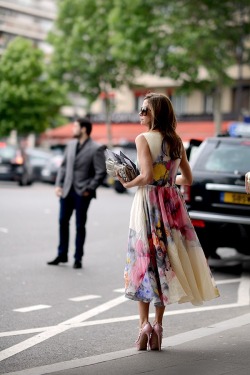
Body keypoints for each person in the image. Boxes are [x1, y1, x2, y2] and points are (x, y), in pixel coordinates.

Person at [117, 93, 220, 352]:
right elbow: (187, 178)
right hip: (172, 207)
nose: (140, 114)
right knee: (164, 261)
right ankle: (159, 326)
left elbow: (146, 175)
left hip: (148, 204)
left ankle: (143, 326)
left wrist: (128, 182)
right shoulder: (176, 141)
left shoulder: (143, 139)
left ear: (155, 114)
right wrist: (168, 183)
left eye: (145, 110)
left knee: (144, 259)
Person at [47, 117, 106, 269]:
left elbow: (100, 173)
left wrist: (89, 189)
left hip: (82, 193)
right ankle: (62, 254)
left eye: (75, 126)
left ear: (83, 129)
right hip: (67, 190)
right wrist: (58, 185)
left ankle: (78, 258)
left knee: (80, 225)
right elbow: (63, 167)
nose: (73, 129)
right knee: (62, 222)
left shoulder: (96, 148)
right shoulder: (71, 144)